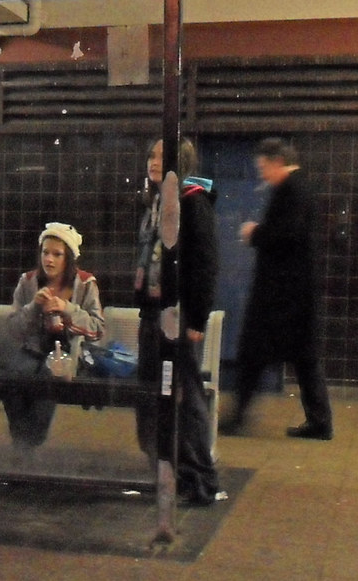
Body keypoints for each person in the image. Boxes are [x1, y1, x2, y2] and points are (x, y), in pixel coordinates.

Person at [133, 138, 222, 506]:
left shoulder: (191, 203)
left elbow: (205, 263)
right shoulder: (156, 203)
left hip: (179, 314)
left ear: (176, 163)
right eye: (150, 154)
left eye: (159, 156)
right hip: (154, 312)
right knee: (152, 394)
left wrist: (197, 318)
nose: (152, 161)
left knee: (185, 395)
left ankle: (199, 476)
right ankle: (167, 470)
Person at [225, 137, 333, 440]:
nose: (261, 174)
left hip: (281, 297)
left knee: (254, 354)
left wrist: (255, 232)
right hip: (294, 296)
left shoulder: (292, 190)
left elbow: (288, 234)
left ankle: (238, 418)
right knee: (304, 360)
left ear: (276, 162)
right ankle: (320, 421)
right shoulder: (297, 188)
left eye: (263, 167)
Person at [4, 223, 104, 455]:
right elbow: (14, 330)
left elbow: (97, 329)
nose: (49, 259)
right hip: (34, 349)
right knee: (14, 378)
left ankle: (30, 442)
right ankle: (21, 441)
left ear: (68, 258)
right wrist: (33, 307)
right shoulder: (28, 281)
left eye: (57, 254)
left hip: (69, 351)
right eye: (45, 252)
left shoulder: (86, 284)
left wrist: (68, 309)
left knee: (49, 379)